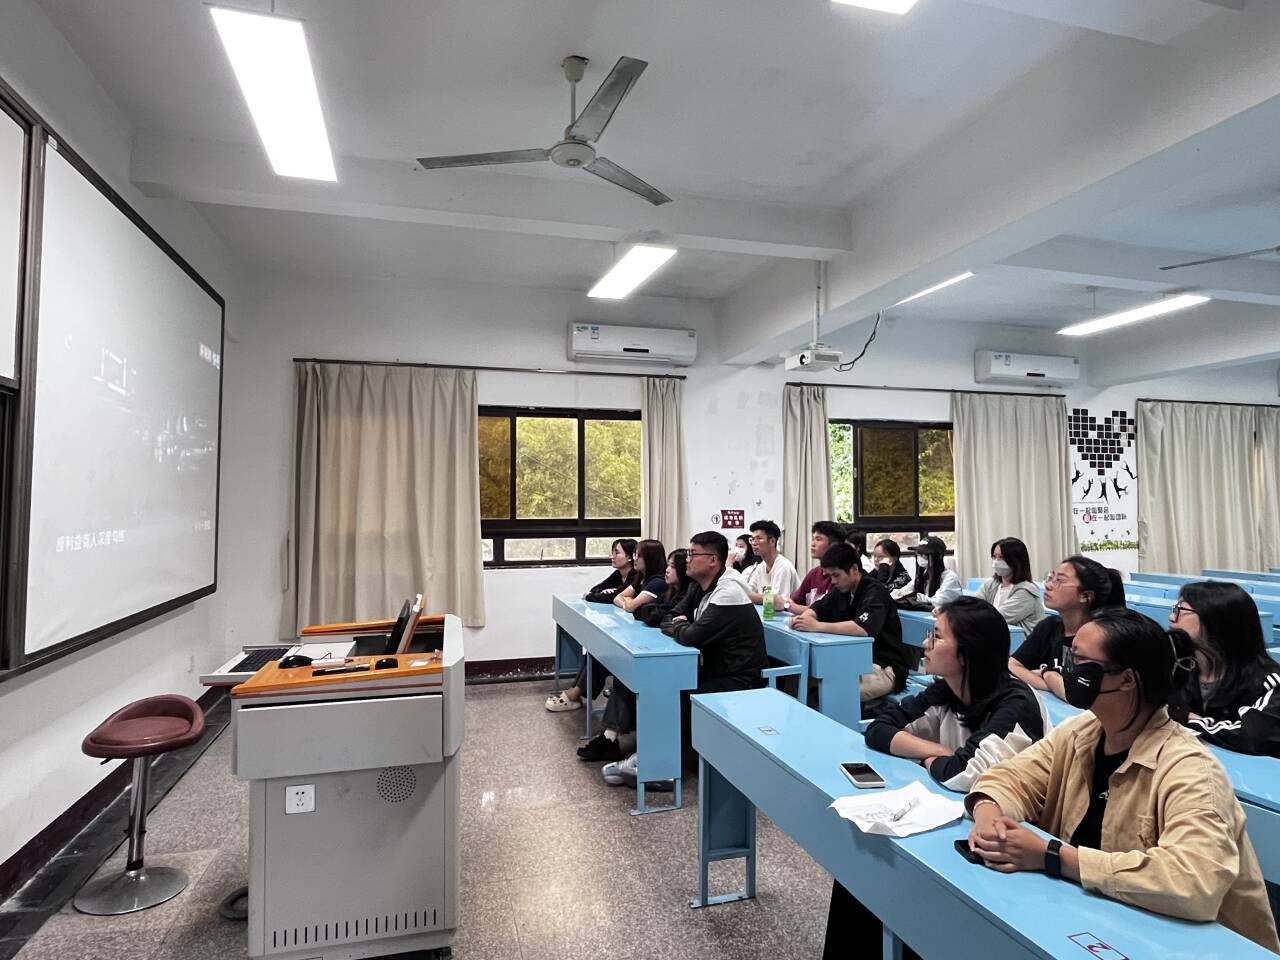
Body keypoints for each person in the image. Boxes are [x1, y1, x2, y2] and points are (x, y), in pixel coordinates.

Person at [965, 607, 1279, 952]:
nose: (1068, 671)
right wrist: (989, 816)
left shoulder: (1190, 769)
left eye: (1081, 663)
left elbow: (1193, 882)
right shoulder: (1082, 731)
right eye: (1071, 657)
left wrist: (1053, 856)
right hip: (1105, 921)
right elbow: (1011, 777)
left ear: (1127, 680)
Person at [823, 597, 1051, 960]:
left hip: (1007, 839)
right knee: (861, 867)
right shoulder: (948, 688)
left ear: (967, 654)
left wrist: (933, 758)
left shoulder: (1016, 704)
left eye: (937, 636)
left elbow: (965, 773)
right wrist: (937, 753)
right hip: (952, 812)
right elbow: (879, 730)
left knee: (901, 885)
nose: (925, 643)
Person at [663, 531, 769, 760]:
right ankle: (665, 755)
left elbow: (690, 636)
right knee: (665, 684)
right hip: (716, 668)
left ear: (713, 560)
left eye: (693, 554)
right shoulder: (700, 586)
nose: (687, 559)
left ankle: (671, 762)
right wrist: (680, 625)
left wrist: (679, 625)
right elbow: (671, 616)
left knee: (676, 694)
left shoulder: (728, 591)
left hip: (740, 677)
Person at [1167, 581, 1280, 756]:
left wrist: (1189, 720)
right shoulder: (1177, 666)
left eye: (1180, 610)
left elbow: (1252, 737)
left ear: (1215, 620)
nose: (1171, 617)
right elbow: (1156, 709)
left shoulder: (1270, 682)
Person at [790, 542, 909, 702]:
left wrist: (816, 626)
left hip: (883, 667)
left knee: (837, 693)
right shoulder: (842, 590)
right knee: (800, 680)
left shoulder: (875, 592)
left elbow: (861, 628)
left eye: (836, 575)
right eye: (830, 576)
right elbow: (819, 607)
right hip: (852, 660)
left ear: (854, 569)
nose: (833, 581)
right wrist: (805, 618)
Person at [1008, 556, 1124, 702]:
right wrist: (1053, 684)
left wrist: (1047, 674)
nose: (1048, 585)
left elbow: (1079, 694)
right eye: (1050, 578)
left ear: (1085, 596)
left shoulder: (1099, 638)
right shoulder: (1049, 626)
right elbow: (1011, 665)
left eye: (1059, 581)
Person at [545, 538, 639, 711]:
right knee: (594, 649)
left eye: (617, 553)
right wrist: (603, 594)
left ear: (629, 557)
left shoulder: (635, 576)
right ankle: (577, 691)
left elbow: (607, 597)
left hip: (631, 632)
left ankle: (575, 694)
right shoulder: (618, 574)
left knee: (601, 651)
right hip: (621, 626)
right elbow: (596, 589)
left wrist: (606, 595)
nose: (612, 556)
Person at [976, 537, 1046, 632]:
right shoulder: (991, 584)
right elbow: (972, 607)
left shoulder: (1026, 591)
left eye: (1001, 557)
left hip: (1021, 640)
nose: (996, 561)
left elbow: (997, 619)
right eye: (994, 557)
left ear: (1016, 561)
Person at [786, 520, 847, 616]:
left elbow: (828, 612)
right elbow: (795, 600)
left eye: (818, 539)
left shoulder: (842, 576)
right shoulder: (814, 573)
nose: (812, 544)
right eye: (813, 539)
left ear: (834, 545)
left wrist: (787, 606)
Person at [893, 535, 962, 608]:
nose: (920, 557)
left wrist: (916, 597)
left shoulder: (950, 578)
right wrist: (899, 594)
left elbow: (939, 602)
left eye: (924, 554)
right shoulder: (923, 575)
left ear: (939, 556)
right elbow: (904, 591)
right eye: (918, 553)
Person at [744, 520, 801, 604]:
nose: (753, 543)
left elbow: (777, 603)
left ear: (772, 541)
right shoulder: (760, 567)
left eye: (759, 538)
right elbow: (748, 592)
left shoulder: (783, 566)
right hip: (767, 611)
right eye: (752, 539)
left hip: (787, 612)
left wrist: (752, 596)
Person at [610, 539, 669, 614]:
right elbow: (617, 598)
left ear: (650, 558)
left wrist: (628, 600)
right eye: (635, 555)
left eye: (638, 556)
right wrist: (628, 603)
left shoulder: (658, 582)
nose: (635, 559)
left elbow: (631, 607)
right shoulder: (640, 577)